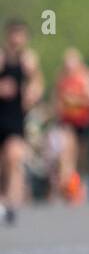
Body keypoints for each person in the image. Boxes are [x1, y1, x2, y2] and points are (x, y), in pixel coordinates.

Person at [0, 20, 43, 224]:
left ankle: (10, 205)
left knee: (14, 157)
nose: (17, 39)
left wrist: (33, 92)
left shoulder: (29, 60)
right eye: (13, 35)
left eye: (21, 35)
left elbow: (38, 83)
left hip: (15, 119)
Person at [52, 47, 89, 204]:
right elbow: (56, 100)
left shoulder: (87, 78)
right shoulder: (61, 78)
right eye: (67, 65)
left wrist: (77, 100)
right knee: (67, 152)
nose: (70, 69)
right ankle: (67, 187)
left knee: (81, 157)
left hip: (84, 122)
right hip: (67, 122)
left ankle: (78, 185)